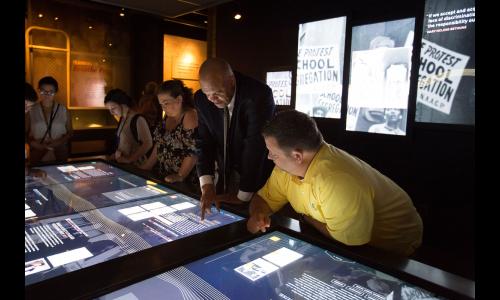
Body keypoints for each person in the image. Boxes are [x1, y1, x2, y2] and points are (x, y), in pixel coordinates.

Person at [247, 110, 423, 256]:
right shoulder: (284, 170)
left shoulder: (336, 180)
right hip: (344, 241)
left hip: (392, 250)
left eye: (273, 153)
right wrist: (258, 213)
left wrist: (306, 218)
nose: (269, 157)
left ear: (297, 156)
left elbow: (350, 242)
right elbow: (263, 199)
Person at [194, 58, 275, 219]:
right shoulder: (202, 100)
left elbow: (255, 146)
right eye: (207, 94)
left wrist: (242, 196)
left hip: (257, 178)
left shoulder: (258, 95)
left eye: (217, 93)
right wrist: (207, 185)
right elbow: (204, 142)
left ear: (231, 81)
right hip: (226, 173)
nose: (212, 99)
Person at [141, 80, 198, 185]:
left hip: (185, 182)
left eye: (166, 103)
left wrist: (180, 175)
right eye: (161, 104)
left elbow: (193, 151)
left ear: (179, 99)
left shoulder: (190, 116)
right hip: (165, 176)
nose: (163, 108)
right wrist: (146, 166)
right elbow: (159, 144)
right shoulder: (168, 116)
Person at [27, 76, 73, 164]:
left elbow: (70, 132)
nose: (47, 95)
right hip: (37, 152)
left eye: (51, 92)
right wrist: (34, 144)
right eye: (43, 91)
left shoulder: (63, 110)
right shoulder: (31, 109)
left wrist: (59, 142)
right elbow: (25, 133)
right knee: (37, 175)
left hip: (60, 152)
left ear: (56, 92)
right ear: (39, 90)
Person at [104, 88, 153, 167]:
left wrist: (130, 159)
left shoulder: (137, 119)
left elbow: (148, 143)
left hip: (136, 167)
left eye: (113, 108)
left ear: (122, 104)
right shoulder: (122, 119)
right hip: (124, 165)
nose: (111, 113)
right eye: (109, 110)